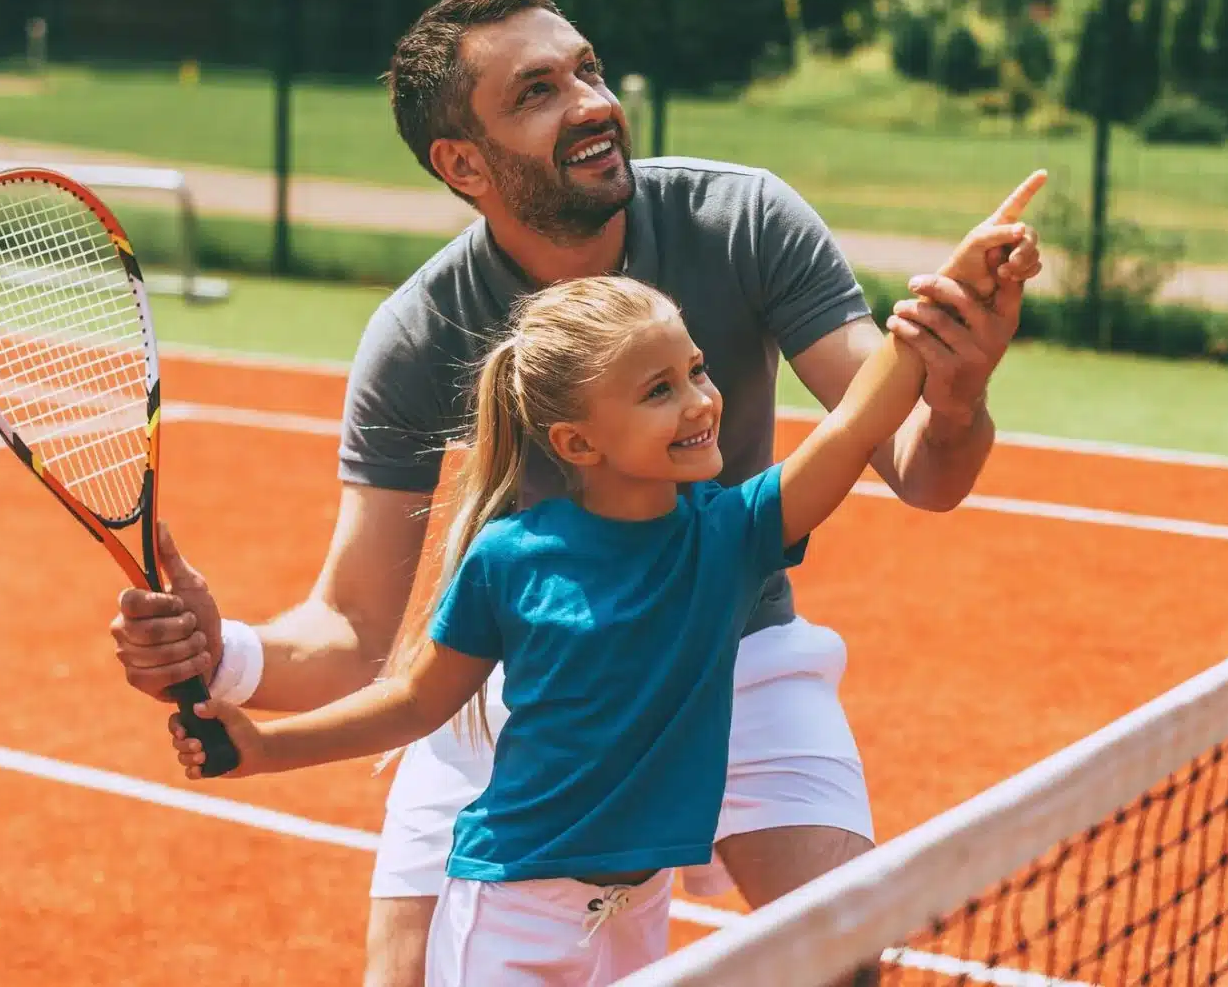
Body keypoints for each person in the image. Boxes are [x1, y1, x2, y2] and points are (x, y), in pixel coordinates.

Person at [110, 0, 1045, 987]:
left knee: (843, 955)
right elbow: (355, 634)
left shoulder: (743, 221)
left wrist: (955, 399)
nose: (594, 104)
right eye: (537, 91)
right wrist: (226, 653)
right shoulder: (420, 335)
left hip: (734, 648)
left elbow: (916, 465)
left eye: (586, 69)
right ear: (463, 163)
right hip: (527, 678)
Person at [171, 253, 1033, 983]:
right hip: (512, 917)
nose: (700, 401)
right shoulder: (509, 559)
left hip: (633, 913)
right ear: (578, 443)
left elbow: (850, 429)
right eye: (659, 389)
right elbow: (415, 703)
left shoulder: (732, 534)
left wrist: (929, 317)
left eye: (697, 370)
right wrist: (268, 748)